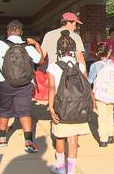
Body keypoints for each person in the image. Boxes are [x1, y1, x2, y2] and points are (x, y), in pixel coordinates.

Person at [0, 20, 42, 153]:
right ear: (21, 32)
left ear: (7, 32)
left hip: (4, 83)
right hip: (25, 84)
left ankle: (2, 138)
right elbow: (40, 61)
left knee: (4, 110)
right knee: (24, 111)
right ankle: (28, 141)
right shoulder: (27, 47)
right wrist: (37, 44)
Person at [47, 30, 91, 174]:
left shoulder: (53, 67)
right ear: (73, 50)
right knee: (73, 141)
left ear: (58, 50)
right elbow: (86, 86)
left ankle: (60, 168)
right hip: (78, 107)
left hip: (61, 107)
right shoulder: (81, 67)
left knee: (60, 138)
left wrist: (51, 108)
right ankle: (70, 171)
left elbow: (52, 88)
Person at [87, 43, 114, 147]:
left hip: (100, 93)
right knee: (110, 114)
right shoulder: (113, 65)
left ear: (97, 53)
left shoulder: (95, 66)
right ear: (109, 53)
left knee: (102, 116)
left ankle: (103, 139)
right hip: (112, 93)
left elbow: (90, 80)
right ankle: (110, 135)